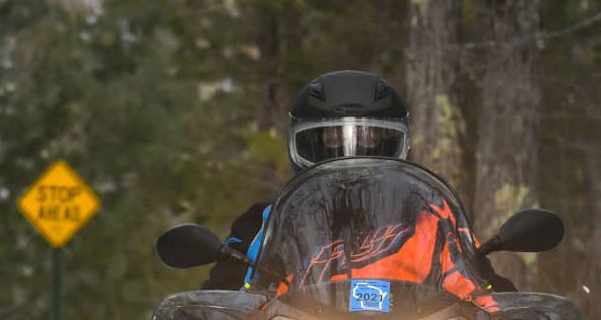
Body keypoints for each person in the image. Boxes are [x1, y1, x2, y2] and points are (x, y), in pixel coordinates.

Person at [201, 69, 515, 293]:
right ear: (303, 145)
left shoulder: (431, 218)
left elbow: (476, 285)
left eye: (370, 137)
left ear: (396, 143)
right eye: (332, 139)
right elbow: (226, 296)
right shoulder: (267, 222)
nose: (351, 154)